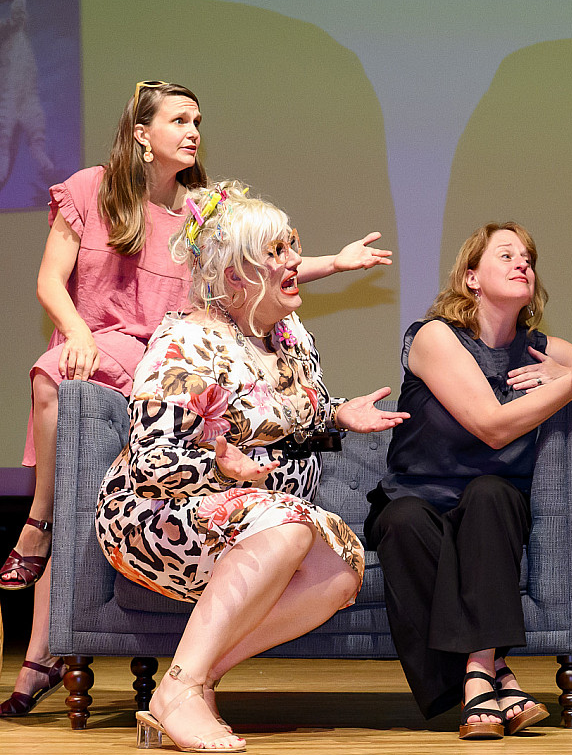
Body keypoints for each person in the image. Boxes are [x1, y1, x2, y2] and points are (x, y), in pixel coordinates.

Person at [0, 79, 393, 719]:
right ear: (140, 132)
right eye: (179, 120)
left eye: (198, 122)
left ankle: (177, 676)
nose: (192, 132)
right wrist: (78, 334)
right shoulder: (93, 193)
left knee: (330, 559)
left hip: (158, 356)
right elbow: (52, 281)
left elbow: (264, 263)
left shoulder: (207, 217)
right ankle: (39, 525)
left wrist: (337, 273)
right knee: (53, 379)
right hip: (107, 345)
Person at [94, 180, 409, 752]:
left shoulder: (288, 336)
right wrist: (223, 470)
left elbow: (293, 415)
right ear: (236, 274)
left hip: (257, 517)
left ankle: (191, 682)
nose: (294, 261)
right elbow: (151, 462)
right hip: (160, 513)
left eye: (293, 246)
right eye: (277, 251)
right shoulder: (187, 343)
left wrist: (339, 414)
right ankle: (181, 690)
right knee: (287, 527)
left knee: (341, 567)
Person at [367, 222, 572, 739]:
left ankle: (476, 675)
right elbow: (492, 427)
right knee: (401, 524)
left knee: (491, 493)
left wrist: (566, 375)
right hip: (417, 496)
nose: (523, 265)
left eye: (528, 259)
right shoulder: (434, 336)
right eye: (507, 255)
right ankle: (497, 672)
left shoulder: (539, 346)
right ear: (471, 277)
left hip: (493, 503)